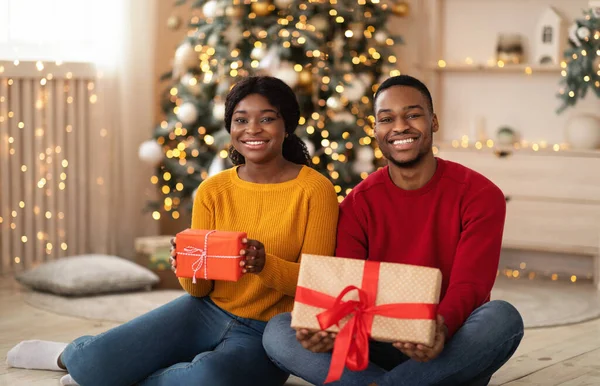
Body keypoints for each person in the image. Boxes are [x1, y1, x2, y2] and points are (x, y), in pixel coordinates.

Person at [6, 76, 340, 386]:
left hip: (268, 333)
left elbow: (317, 286)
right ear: (230, 127)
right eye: (241, 119)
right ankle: (66, 356)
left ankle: (129, 375)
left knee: (207, 377)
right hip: (205, 309)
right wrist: (187, 263)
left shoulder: (315, 190)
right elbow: (198, 291)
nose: (253, 129)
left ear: (287, 125)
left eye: (267, 118)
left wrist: (264, 265)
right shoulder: (213, 190)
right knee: (92, 366)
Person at [263, 75, 524, 386]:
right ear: (375, 130)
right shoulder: (357, 205)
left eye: (412, 115)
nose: (400, 127)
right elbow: (347, 291)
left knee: (502, 318)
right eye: (387, 119)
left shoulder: (480, 195)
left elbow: (471, 285)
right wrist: (326, 331)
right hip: (374, 344)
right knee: (278, 330)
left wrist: (438, 327)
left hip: (445, 340)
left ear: (434, 122)